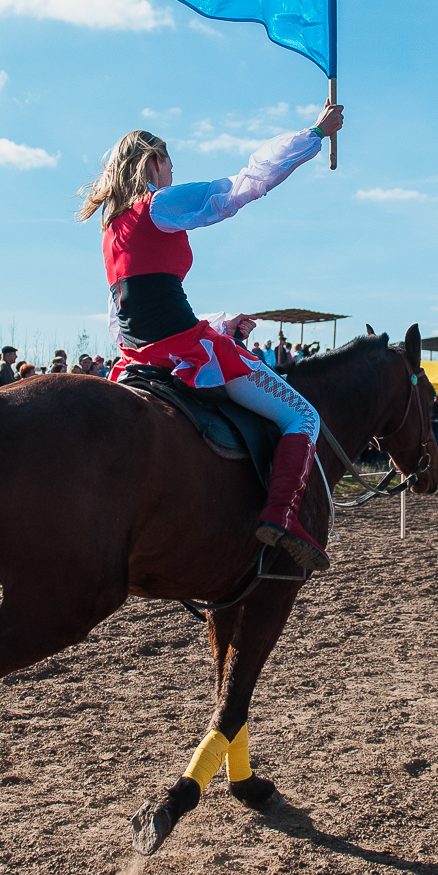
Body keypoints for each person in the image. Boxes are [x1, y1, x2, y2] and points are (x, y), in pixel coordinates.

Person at [77, 103, 343, 572]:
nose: (174, 168)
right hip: (181, 349)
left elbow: (139, 310)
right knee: (304, 415)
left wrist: (221, 321)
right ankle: (282, 517)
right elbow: (240, 187)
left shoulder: (112, 228)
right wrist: (314, 134)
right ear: (151, 163)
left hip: (138, 357)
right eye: (169, 160)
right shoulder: (158, 205)